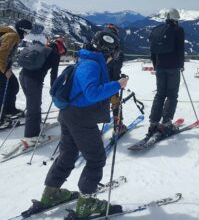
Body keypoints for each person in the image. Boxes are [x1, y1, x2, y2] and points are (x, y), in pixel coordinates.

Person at [40, 31, 128, 218]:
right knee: (96, 159)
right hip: (81, 117)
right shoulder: (91, 65)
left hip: (71, 115)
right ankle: (86, 203)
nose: (114, 57)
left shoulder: (88, 60)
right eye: (114, 53)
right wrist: (117, 85)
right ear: (107, 51)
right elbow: (92, 93)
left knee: (68, 155)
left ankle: (51, 193)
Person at [19, 38, 67, 147]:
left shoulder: (41, 48)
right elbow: (53, 75)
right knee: (33, 107)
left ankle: (36, 125)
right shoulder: (55, 54)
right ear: (61, 48)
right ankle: (31, 137)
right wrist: (55, 90)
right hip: (33, 80)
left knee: (33, 104)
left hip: (22, 76)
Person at [147, 8, 185, 137]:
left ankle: (153, 122)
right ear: (176, 19)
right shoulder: (178, 30)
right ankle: (167, 122)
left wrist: (156, 65)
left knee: (160, 94)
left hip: (160, 66)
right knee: (172, 95)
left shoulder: (157, 29)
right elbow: (180, 49)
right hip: (173, 67)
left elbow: (153, 51)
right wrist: (181, 64)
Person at [0, 19, 33, 122]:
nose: (27, 34)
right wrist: (5, 70)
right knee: (5, 89)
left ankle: (9, 109)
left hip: (3, 66)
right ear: (22, 29)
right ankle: (2, 115)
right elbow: (1, 54)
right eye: (27, 32)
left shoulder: (11, 33)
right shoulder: (12, 36)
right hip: (1, 66)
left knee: (12, 86)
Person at [103, 23, 127, 133]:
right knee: (116, 103)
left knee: (96, 102)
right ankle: (118, 126)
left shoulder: (98, 44)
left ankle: (90, 125)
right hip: (112, 83)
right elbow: (117, 67)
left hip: (97, 82)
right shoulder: (116, 49)